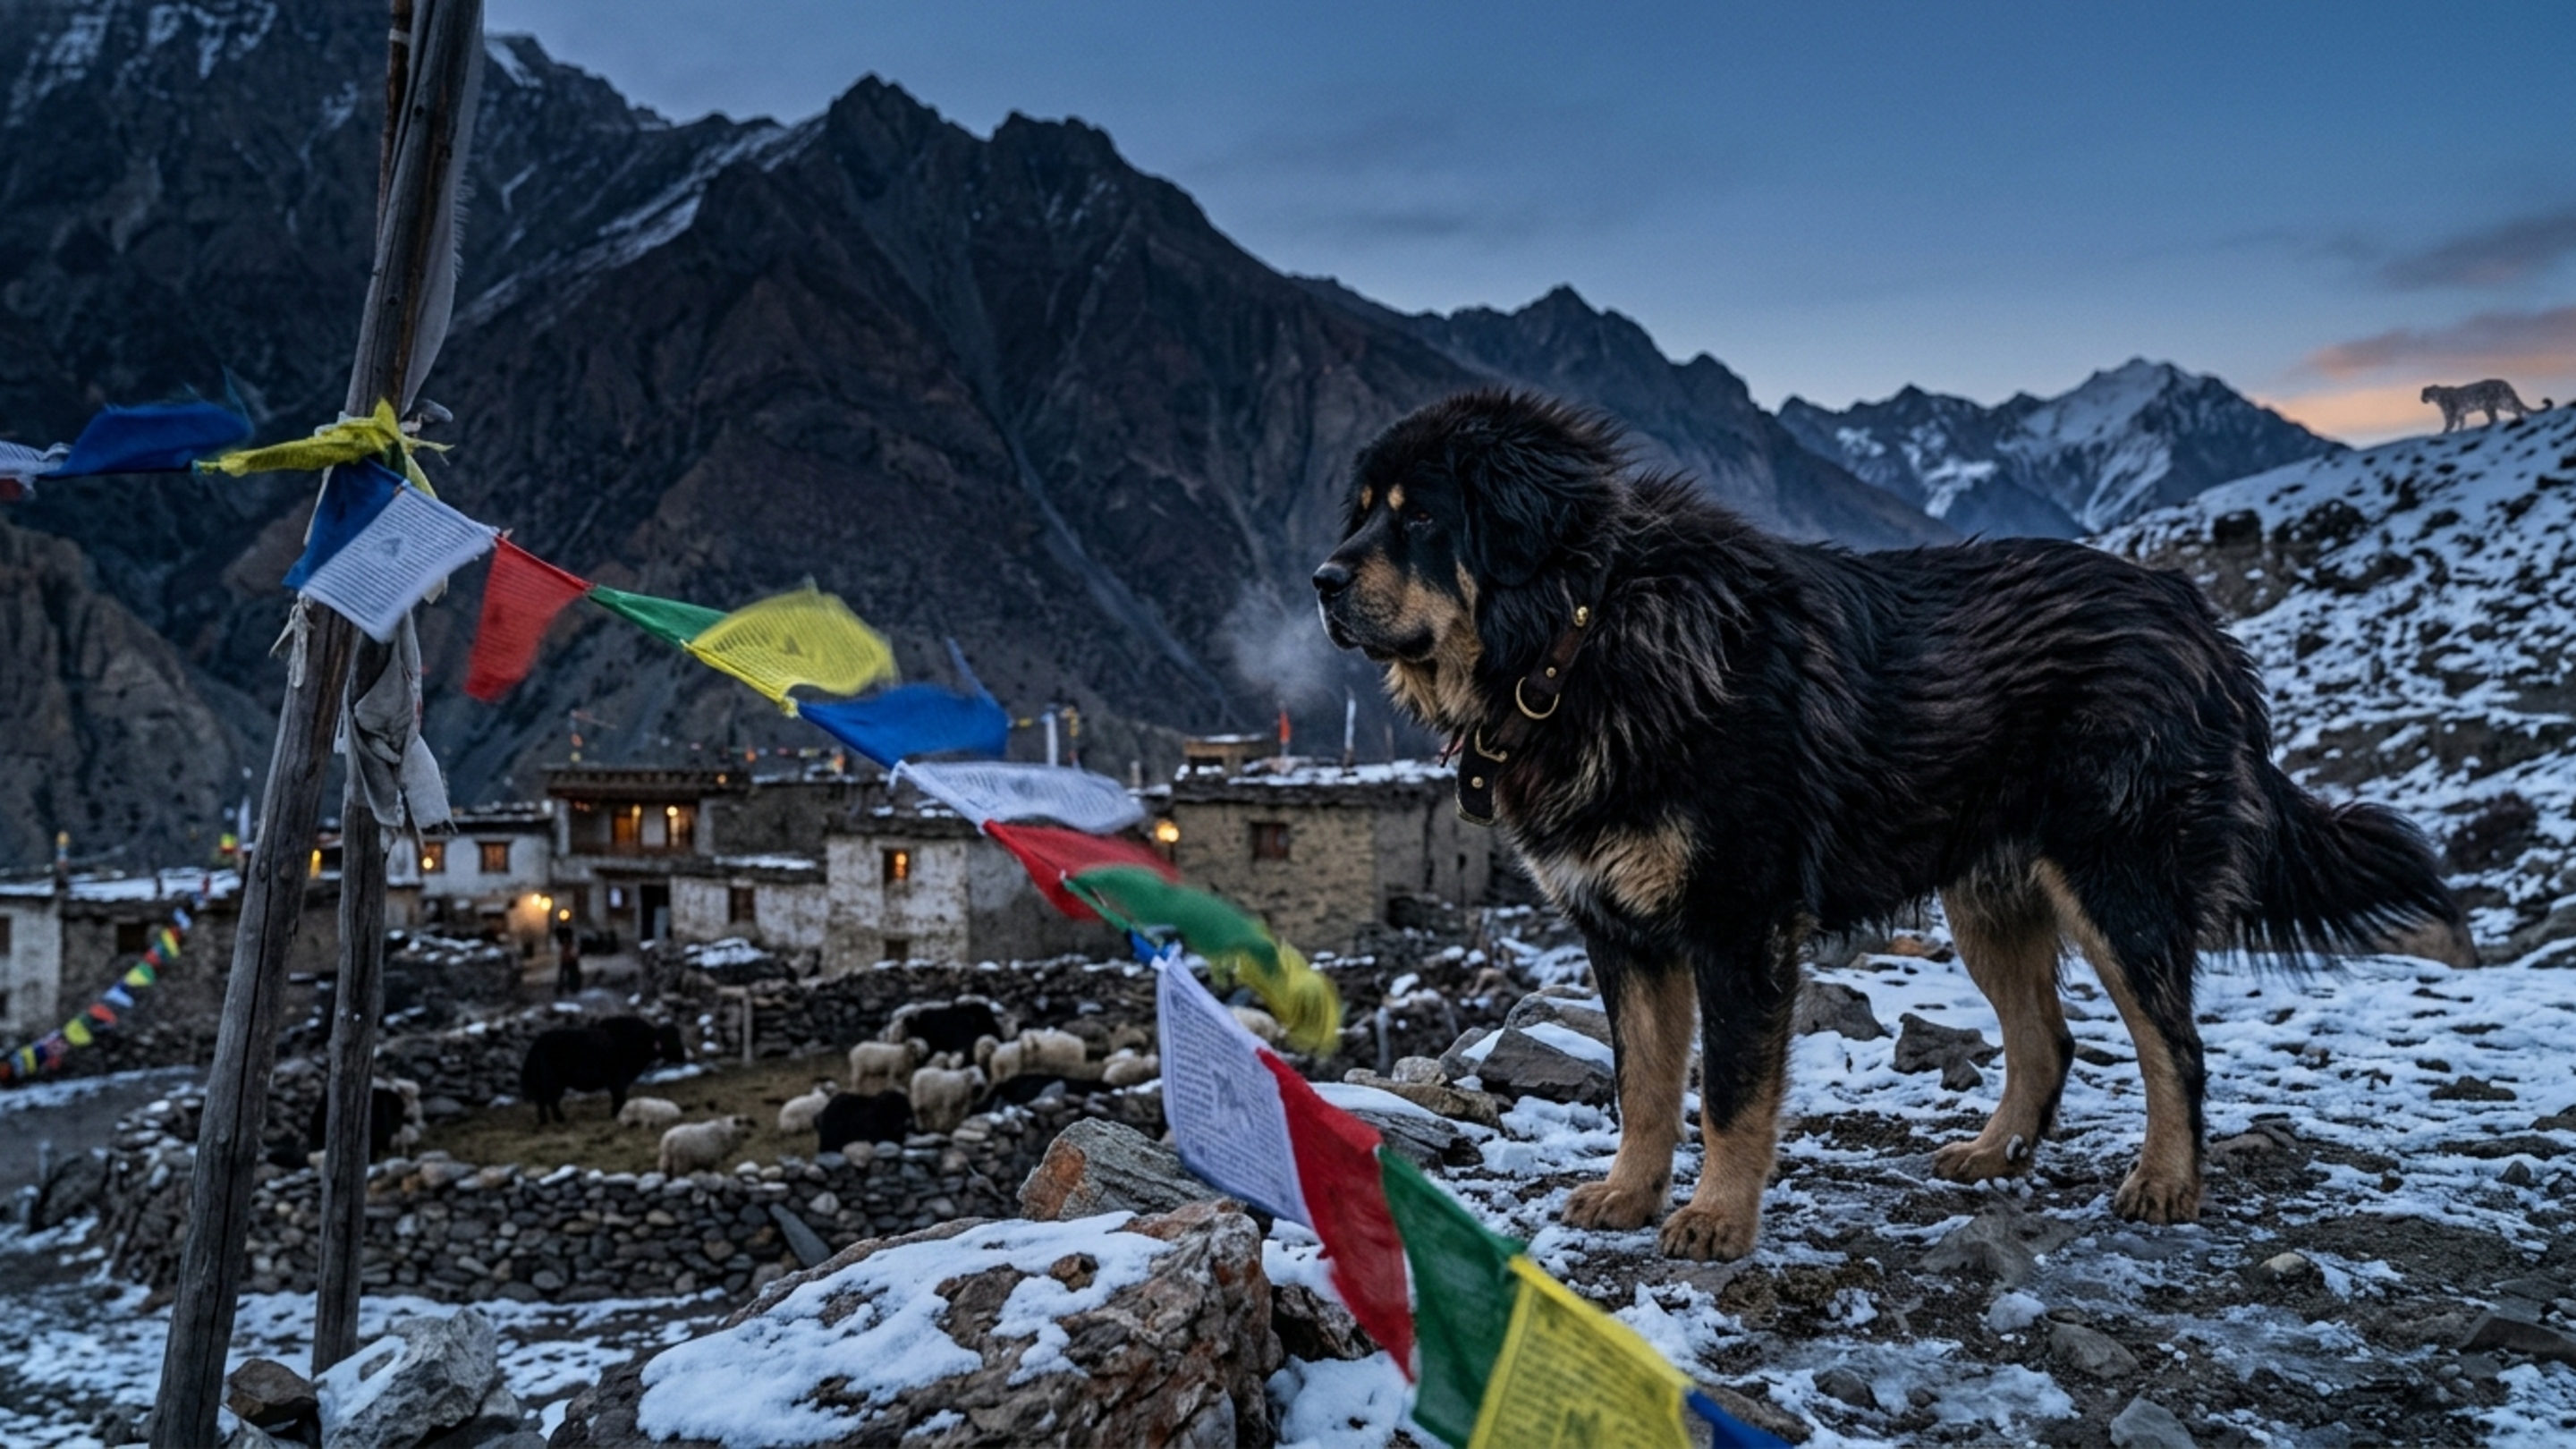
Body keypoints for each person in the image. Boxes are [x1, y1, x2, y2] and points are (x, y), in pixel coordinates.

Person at [554, 921, 582, 998]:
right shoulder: (565, 940)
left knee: (570, 973)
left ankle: (572, 987)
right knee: (565, 973)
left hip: (570, 959)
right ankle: (564, 987)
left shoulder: (569, 940)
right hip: (568, 959)